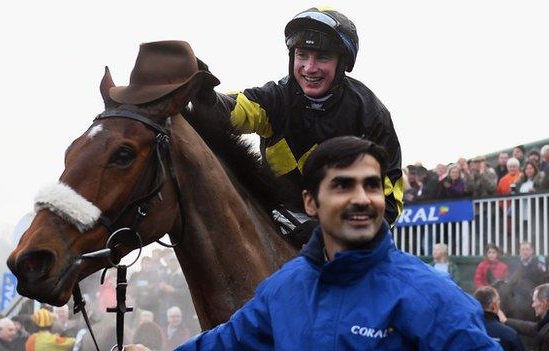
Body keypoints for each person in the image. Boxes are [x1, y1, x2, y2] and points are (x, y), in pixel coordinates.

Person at [170, 136, 498, 349]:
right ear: (310, 202)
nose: (362, 199)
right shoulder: (283, 289)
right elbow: (226, 344)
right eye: (343, 186)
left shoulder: (431, 295)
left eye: (371, 186)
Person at [191, 7, 403, 231]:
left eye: (322, 57)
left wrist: (335, 231)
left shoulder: (371, 114)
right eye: (302, 55)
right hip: (282, 217)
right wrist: (207, 97)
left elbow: (390, 200)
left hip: (348, 225)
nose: (309, 68)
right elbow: (237, 110)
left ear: (343, 64)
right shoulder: (275, 98)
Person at [473, 286, 525, 351]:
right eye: (498, 301)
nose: (500, 302)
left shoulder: (466, 331)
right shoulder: (510, 334)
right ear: (494, 306)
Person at [502, 283, 549, 350]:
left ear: (544, 303)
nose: (532, 305)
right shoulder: (545, 323)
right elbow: (534, 328)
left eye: (534, 301)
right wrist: (505, 320)